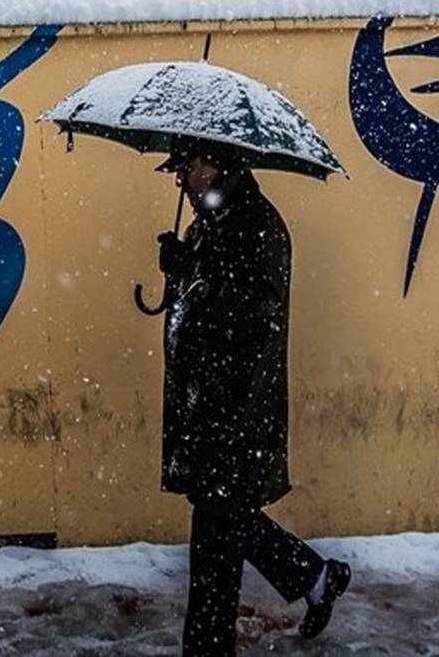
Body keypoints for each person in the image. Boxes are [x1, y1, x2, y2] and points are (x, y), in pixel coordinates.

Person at [153, 136, 351, 655]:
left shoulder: (257, 225)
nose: (180, 178)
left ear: (216, 163)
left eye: (187, 165)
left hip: (237, 412)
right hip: (209, 408)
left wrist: (193, 276)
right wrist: (181, 270)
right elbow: (203, 303)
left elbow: (256, 315)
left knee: (216, 544)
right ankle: (315, 578)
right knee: (226, 520)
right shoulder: (211, 221)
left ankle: (208, 648)